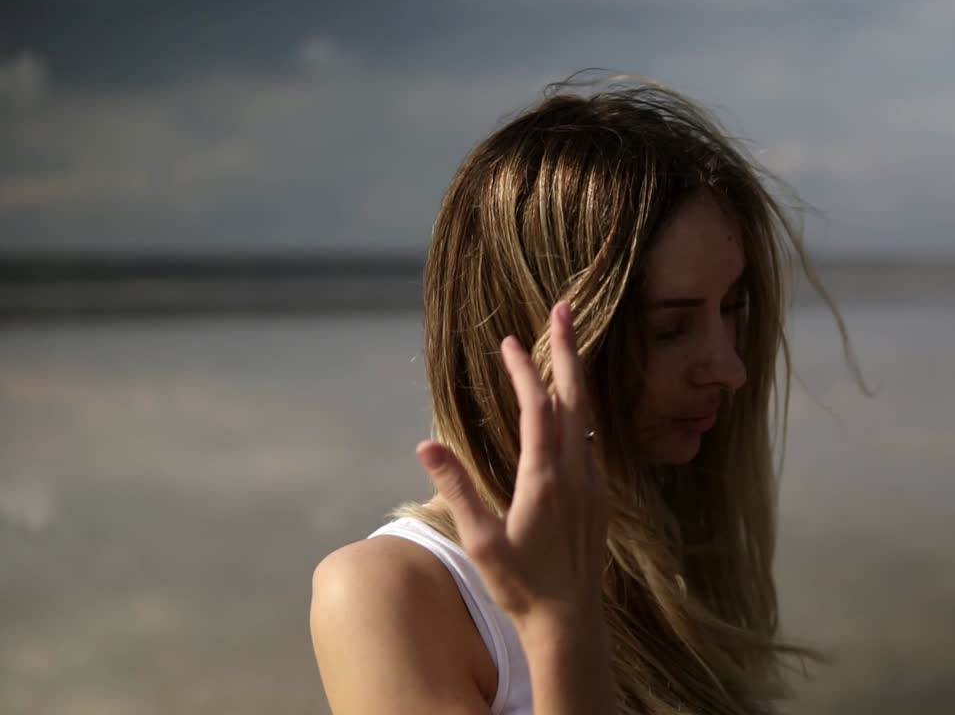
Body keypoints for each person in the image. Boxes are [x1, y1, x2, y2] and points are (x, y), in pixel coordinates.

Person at [309, 74, 863, 714]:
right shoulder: (394, 594)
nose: (730, 368)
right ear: (524, 334)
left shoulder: (661, 556)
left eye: (732, 309)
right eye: (669, 328)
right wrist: (557, 625)